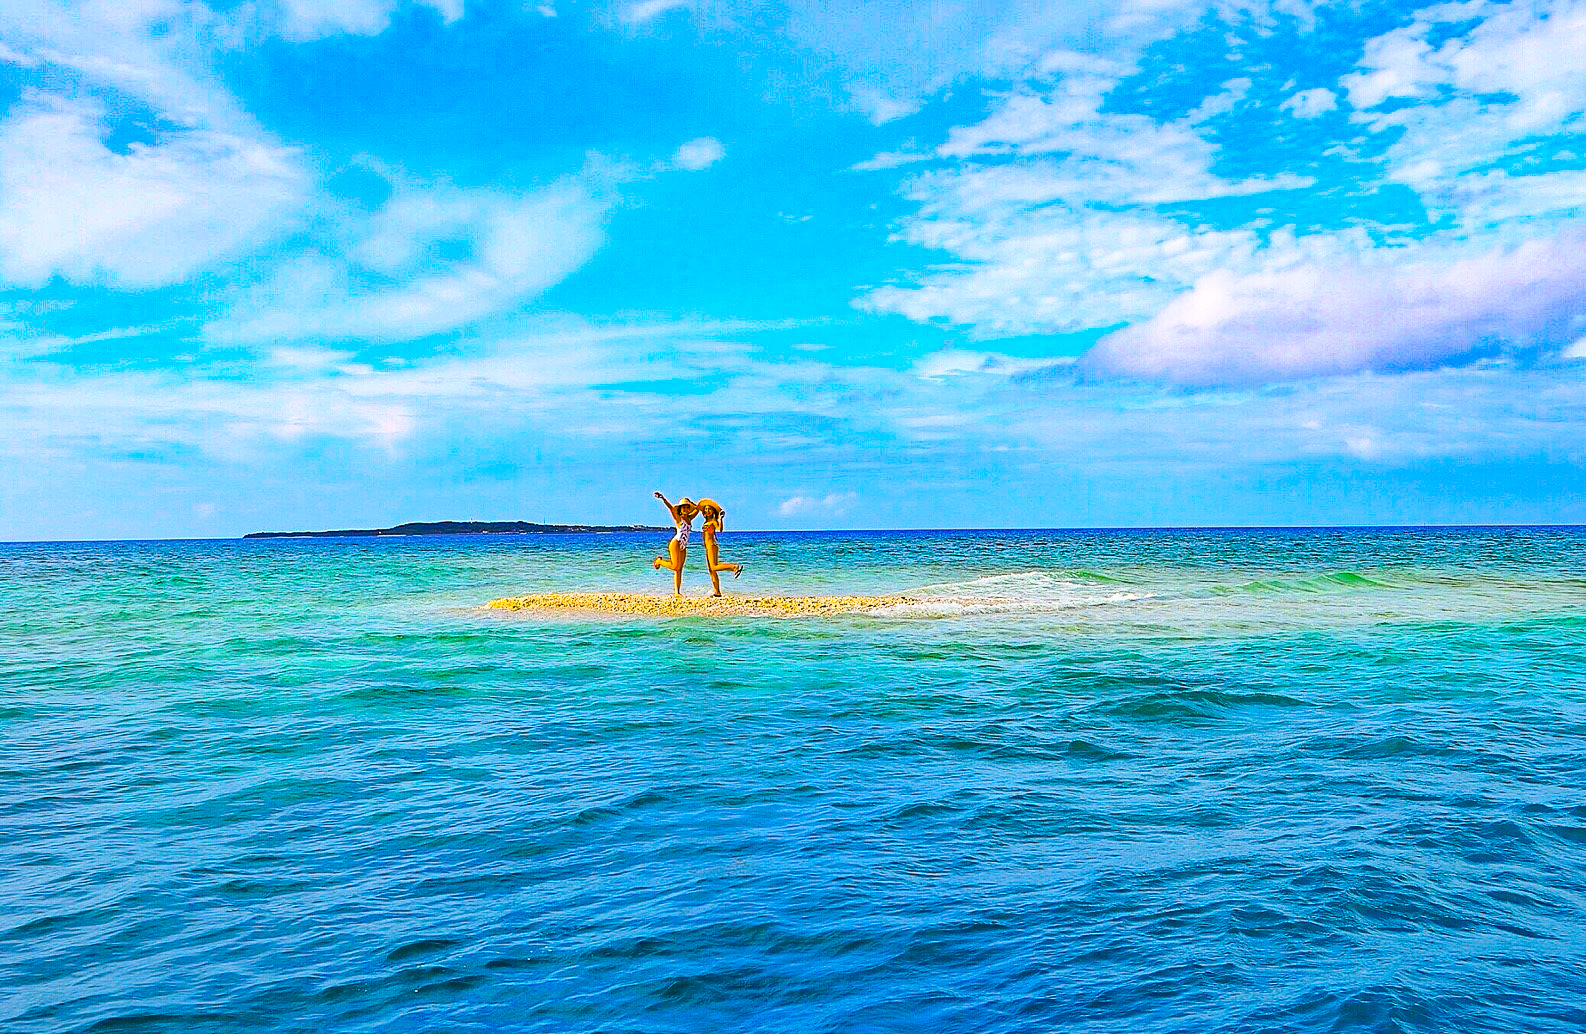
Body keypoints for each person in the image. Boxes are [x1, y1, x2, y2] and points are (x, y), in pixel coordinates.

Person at [652, 491, 698, 597]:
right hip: (676, 543)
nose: (686, 509)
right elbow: (670, 508)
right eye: (684, 507)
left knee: (679, 569)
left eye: (687, 507)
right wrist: (663, 498)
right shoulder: (678, 518)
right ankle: (659, 562)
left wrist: (691, 502)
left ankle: (677, 592)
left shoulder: (690, 518)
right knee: (675, 566)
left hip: (683, 546)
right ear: (680, 509)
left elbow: (698, 509)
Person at [696, 498, 743, 598]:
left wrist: (721, 519)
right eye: (705, 509)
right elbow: (697, 508)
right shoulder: (706, 521)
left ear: (713, 511)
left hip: (712, 545)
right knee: (712, 571)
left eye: (709, 509)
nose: (707, 510)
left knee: (713, 567)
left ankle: (734, 567)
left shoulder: (713, 521)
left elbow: (720, 529)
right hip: (708, 546)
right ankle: (717, 592)